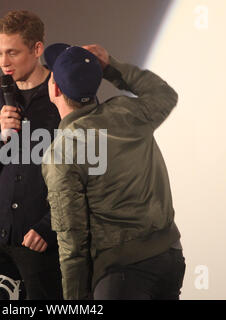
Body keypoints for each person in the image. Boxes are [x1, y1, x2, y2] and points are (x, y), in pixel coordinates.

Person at [42, 43, 185, 300]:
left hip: (122, 275)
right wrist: (112, 66)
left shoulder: (63, 151)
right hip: (169, 256)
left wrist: (75, 298)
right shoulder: (128, 112)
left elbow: (71, 236)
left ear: (54, 89)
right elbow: (165, 94)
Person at [0, 10, 63, 300]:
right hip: (0, 238)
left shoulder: (63, 94)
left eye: (12, 52)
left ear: (37, 49)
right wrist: (2, 136)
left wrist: (49, 226)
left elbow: (86, 173)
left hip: (41, 239)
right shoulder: (0, 96)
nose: (3, 62)